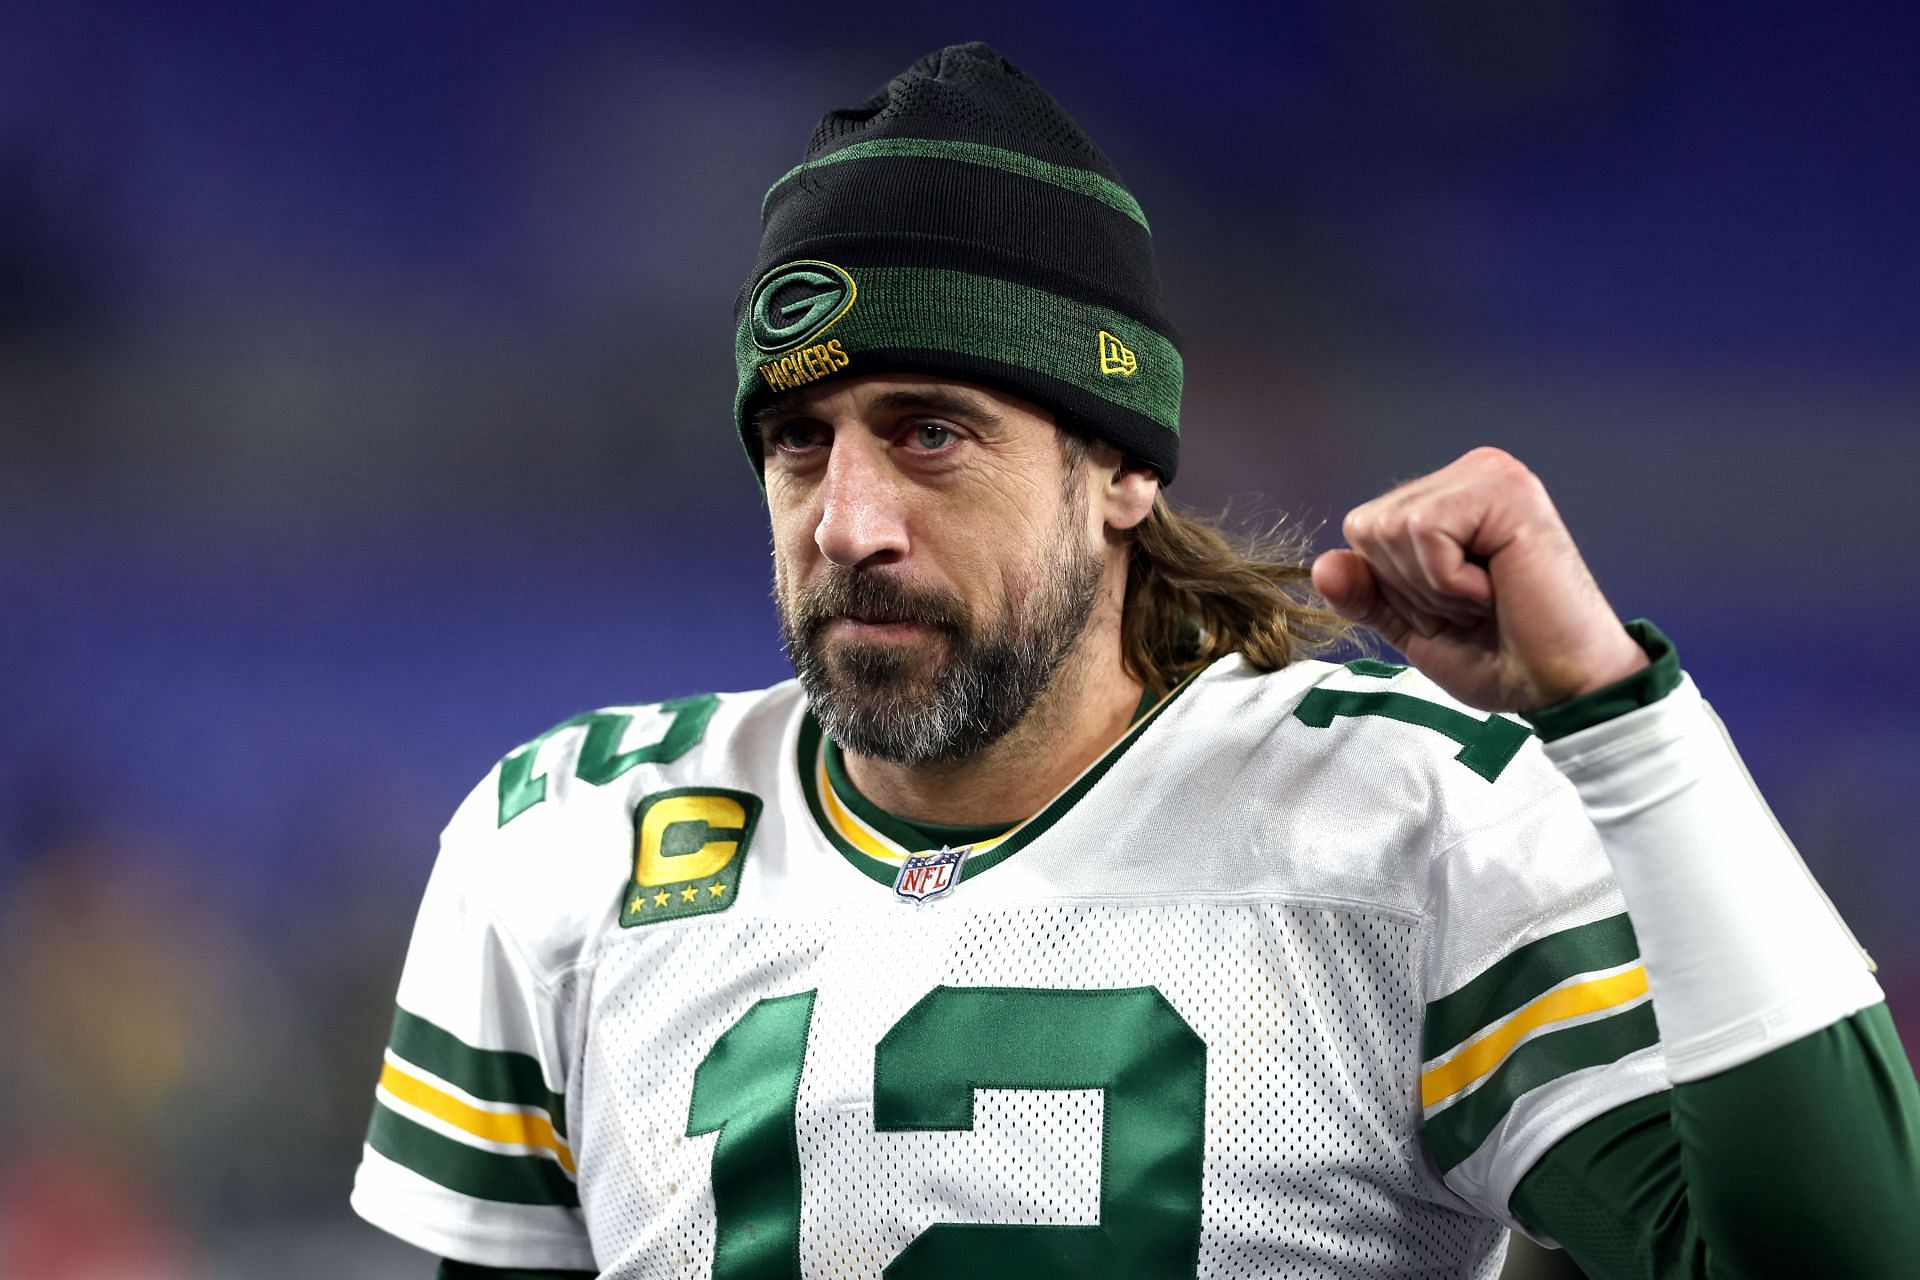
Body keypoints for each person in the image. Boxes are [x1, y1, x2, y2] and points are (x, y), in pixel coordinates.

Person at [350, 43, 1920, 1279]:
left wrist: (1621, 727)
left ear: (1122, 469)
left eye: (932, 434)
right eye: (797, 444)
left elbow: (1844, 1258)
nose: (849, 523)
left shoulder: (1410, 820)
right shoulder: (559, 845)